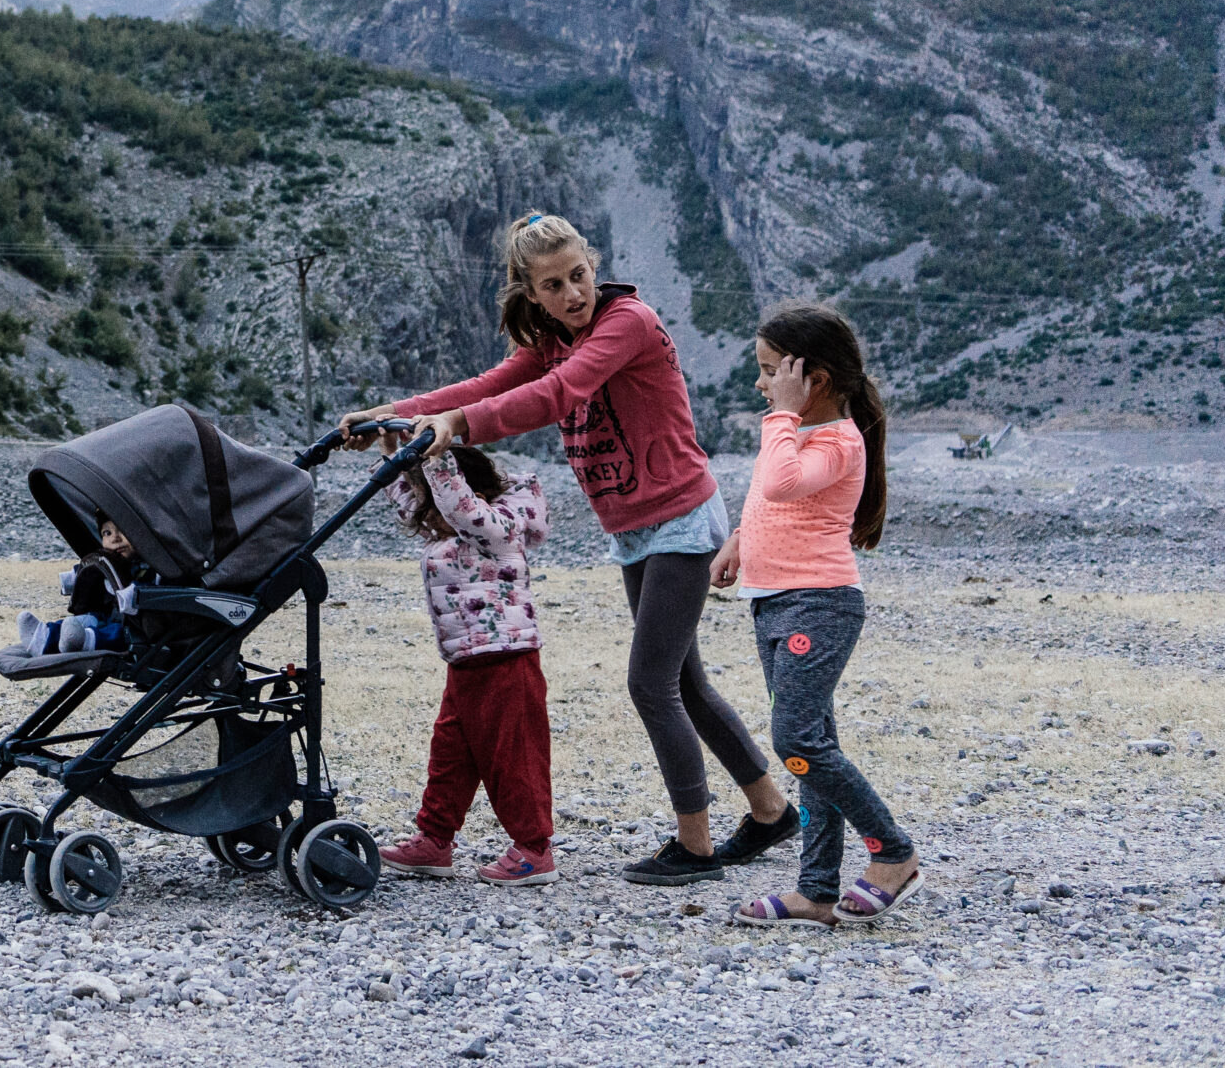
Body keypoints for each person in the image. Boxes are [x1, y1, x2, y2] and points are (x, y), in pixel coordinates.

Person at [343, 211, 793, 886]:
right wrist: (398, 415)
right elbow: (491, 386)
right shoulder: (553, 338)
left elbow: (557, 394)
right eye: (553, 285)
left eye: (578, 275)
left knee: (651, 683)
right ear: (532, 293)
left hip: (681, 517)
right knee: (685, 682)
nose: (573, 293)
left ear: (593, 264)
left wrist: (455, 425)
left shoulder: (626, 322)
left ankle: (696, 847)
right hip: (633, 527)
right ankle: (770, 810)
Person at [713, 304, 920, 927]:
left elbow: (782, 484)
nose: (761, 383)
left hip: (820, 604)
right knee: (812, 745)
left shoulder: (839, 440)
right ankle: (816, 889)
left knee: (797, 742)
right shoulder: (795, 433)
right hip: (774, 603)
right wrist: (740, 540)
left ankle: (893, 853)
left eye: (771, 371)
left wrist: (781, 414)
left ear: (815, 379)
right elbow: (772, 501)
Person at [374, 444, 556, 886]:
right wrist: (391, 452)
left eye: (435, 502)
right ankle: (435, 839)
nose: (427, 515)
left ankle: (535, 849)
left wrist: (435, 458)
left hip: (507, 659)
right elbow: (409, 498)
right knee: (450, 754)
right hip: (465, 663)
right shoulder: (444, 532)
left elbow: (461, 507)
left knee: (515, 757)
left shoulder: (497, 527)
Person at [17, 515, 144, 655]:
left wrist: (136, 594)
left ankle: (84, 641)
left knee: (116, 633)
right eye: (107, 533)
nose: (115, 539)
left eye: (123, 531)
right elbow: (86, 570)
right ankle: (42, 639)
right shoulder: (110, 561)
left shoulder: (151, 567)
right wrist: (72, 579)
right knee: (81, 621)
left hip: (133, 626)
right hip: (105, 615)